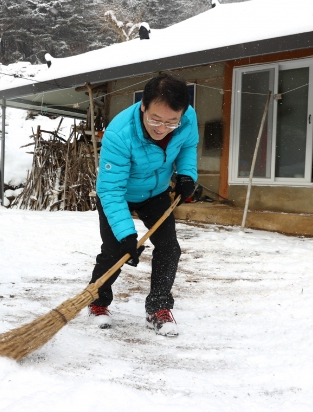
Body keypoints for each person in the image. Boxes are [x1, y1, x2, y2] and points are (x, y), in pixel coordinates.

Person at [87, 73, 199, 337]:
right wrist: (127, 234)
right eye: (155, 120)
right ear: (143, 106)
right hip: (118, 194)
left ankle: (158, 308)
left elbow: (188, 146)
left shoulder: (187, 118)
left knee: (170, 248)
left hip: (156, 191)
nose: (162, 128)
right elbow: (110, 189)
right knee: (115, 250)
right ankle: (97, 302)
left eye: (172, 122)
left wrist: (186, 174)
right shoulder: (119, 133)